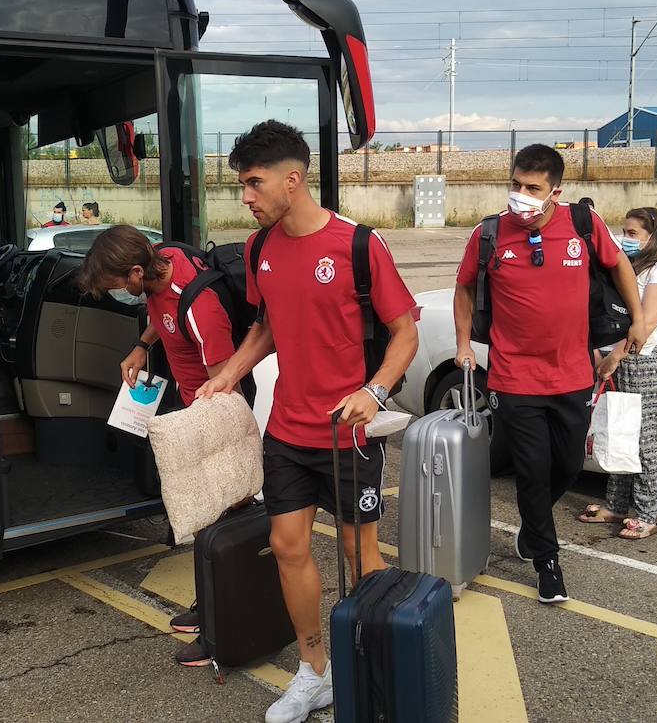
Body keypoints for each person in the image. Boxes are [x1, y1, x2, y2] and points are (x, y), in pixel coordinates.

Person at [197, 120, 417, 723]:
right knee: (285, 545)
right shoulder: (259, 248)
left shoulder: (358, 245)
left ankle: (369, 665)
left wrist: (375, 390)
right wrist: (228, 373)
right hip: (288, 432)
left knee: (357, 552)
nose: (245, 195)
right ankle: (315, 671)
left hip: (349, 433)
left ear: (292, 180)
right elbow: (265, 327)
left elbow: (405, 333)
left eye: (253, 183)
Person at [452, 144, 648, 605]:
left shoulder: (582, 224)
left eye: (532, 189)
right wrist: (463, 344)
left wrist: (637, 320)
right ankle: (547, 562)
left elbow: (619, 264)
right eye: (515, 185)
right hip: (514, 378)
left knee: (566, 465)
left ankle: (532, 526)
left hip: (574, 374)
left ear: (555, 191)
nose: (521, 195)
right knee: (533, 471)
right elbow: (463, 288)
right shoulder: (490, 233)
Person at [77, 224, 237, 667]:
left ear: (133, 273)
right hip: (189, 408)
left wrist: (205, 439)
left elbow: (227, 383)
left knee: (217, 519)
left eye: (114, 286)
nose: (117, 294)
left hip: (212, 417)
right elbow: (158, 313)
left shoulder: (200, 305)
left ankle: (223, 626)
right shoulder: (159, 259)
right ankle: (210, 607)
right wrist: (141, 346)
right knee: (203, 521)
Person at [578, 207, 657, 539]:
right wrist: (599, 351)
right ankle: (615, 506)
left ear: (654, 235)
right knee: (619, 431)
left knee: (642, 439)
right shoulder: (629, 266)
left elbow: (646, 325)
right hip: (619, 358)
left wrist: (614, 359)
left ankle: (646, 513)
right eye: (624, 231)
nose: (626, 239)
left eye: (633, 233)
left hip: (645, 360)